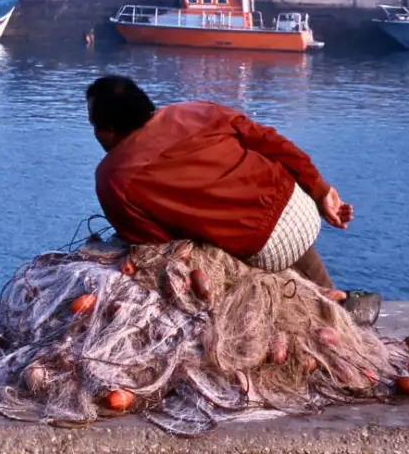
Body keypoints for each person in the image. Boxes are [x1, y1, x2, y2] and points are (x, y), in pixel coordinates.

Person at [84, 75, 380, 324]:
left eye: (95, 126)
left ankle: (313, 303)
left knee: (216, 251)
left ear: (108, 131)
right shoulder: (195, 110)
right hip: (299, 207)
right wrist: (320, 189)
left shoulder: (113, 177)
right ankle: (337, 298)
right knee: (263, 214)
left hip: (261, 245)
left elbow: (156, 245)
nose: (95, 135)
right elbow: (270, 141)